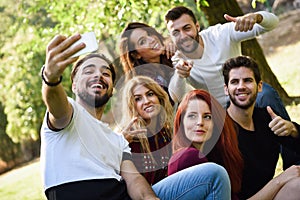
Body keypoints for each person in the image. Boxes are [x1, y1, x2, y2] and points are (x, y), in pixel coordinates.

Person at [40, 33, 231, 199]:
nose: (98, 76)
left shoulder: (117, 140)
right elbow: (56, 103)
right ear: (73, 85)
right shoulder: (69, 115)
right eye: (89, 71)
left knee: (213, 175)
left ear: (112, 88)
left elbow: (133, 180)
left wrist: (150, 198)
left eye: (105, 73)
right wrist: (50, 77)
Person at [164, 5, 279, 108]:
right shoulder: (178, 59)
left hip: (247, 95)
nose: (183, 36)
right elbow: (176, 96)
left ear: (197, 26)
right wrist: (180, 74)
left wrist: (256, 17)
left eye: (187, 28)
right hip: (221, 112)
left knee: (266, 94)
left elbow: (272, 23)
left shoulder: (221, 34)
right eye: (176, 32)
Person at [222, 55, 300, 200]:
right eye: (234, 82)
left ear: (259, 86)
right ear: (226, 89)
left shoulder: (265, 119)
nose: (241, 86)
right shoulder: (220, 132)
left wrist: (293, 130)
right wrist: (280, 179)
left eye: (247, 80)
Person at [168, 89, 243, 199]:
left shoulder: (210, 157)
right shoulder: (189, 157)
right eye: (192, 116)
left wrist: (277, 183)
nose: (200, 122)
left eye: (207, 116)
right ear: (181, 122)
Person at [116, 75, 173, 185]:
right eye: (138, 99)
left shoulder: (166, 132)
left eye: (150, 94)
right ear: (132, 106)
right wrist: (119, 143)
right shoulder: (130, 136)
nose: (146, 101)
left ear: (159, 98)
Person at [119, 22, 175, 104]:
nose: (152, 40)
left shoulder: (167, 57)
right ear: (136, 55)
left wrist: (174, 43)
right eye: (143, 42)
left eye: (149, 34)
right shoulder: (145, 83)